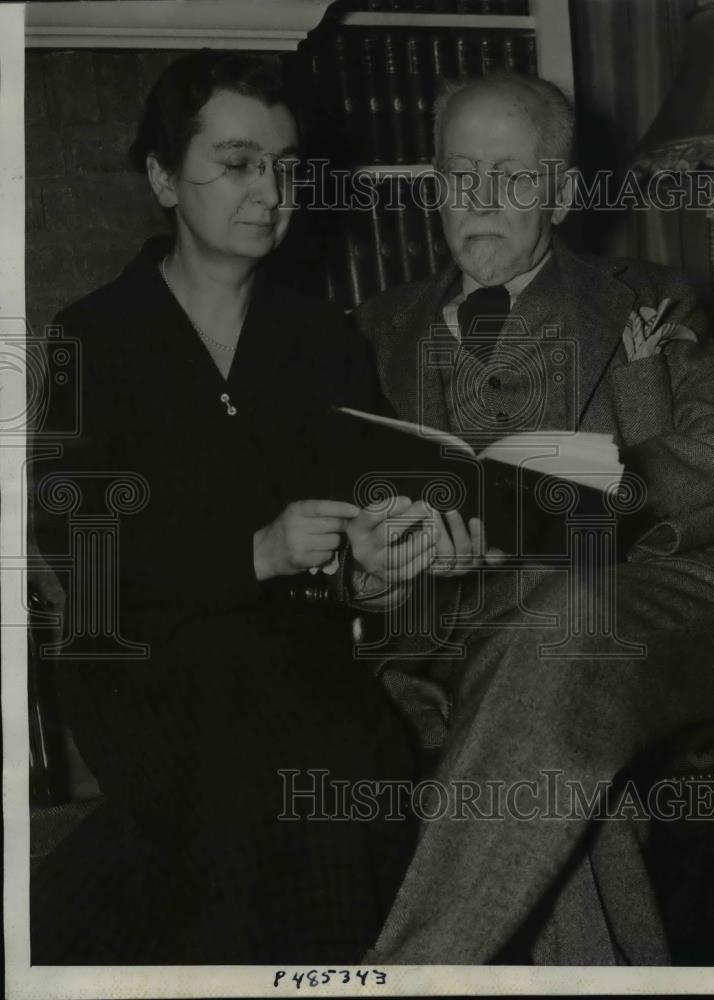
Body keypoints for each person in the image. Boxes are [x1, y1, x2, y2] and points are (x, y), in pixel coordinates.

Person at [30, 50, 433, 964]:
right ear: (165, 178)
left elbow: (363, 505)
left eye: (287, 168)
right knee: (245, 785)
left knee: (360, 769)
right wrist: (251, 550)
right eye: (240, 163)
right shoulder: (92, 337)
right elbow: (78, 543)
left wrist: (373, 558)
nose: (270, 191)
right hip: (140, 660)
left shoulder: (325, 339)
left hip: (292, 656)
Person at [352, 72, 714, 964]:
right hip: (447, 639)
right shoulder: (371, 331)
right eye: (460, 174)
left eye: (511, 175)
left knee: (549, 650)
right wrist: (367, 565)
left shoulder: (647, 298)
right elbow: (335, 507)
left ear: (564, 193)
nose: (480, 200)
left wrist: (590, 503)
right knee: (543, 772)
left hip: (635, 603)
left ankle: (400, 977)